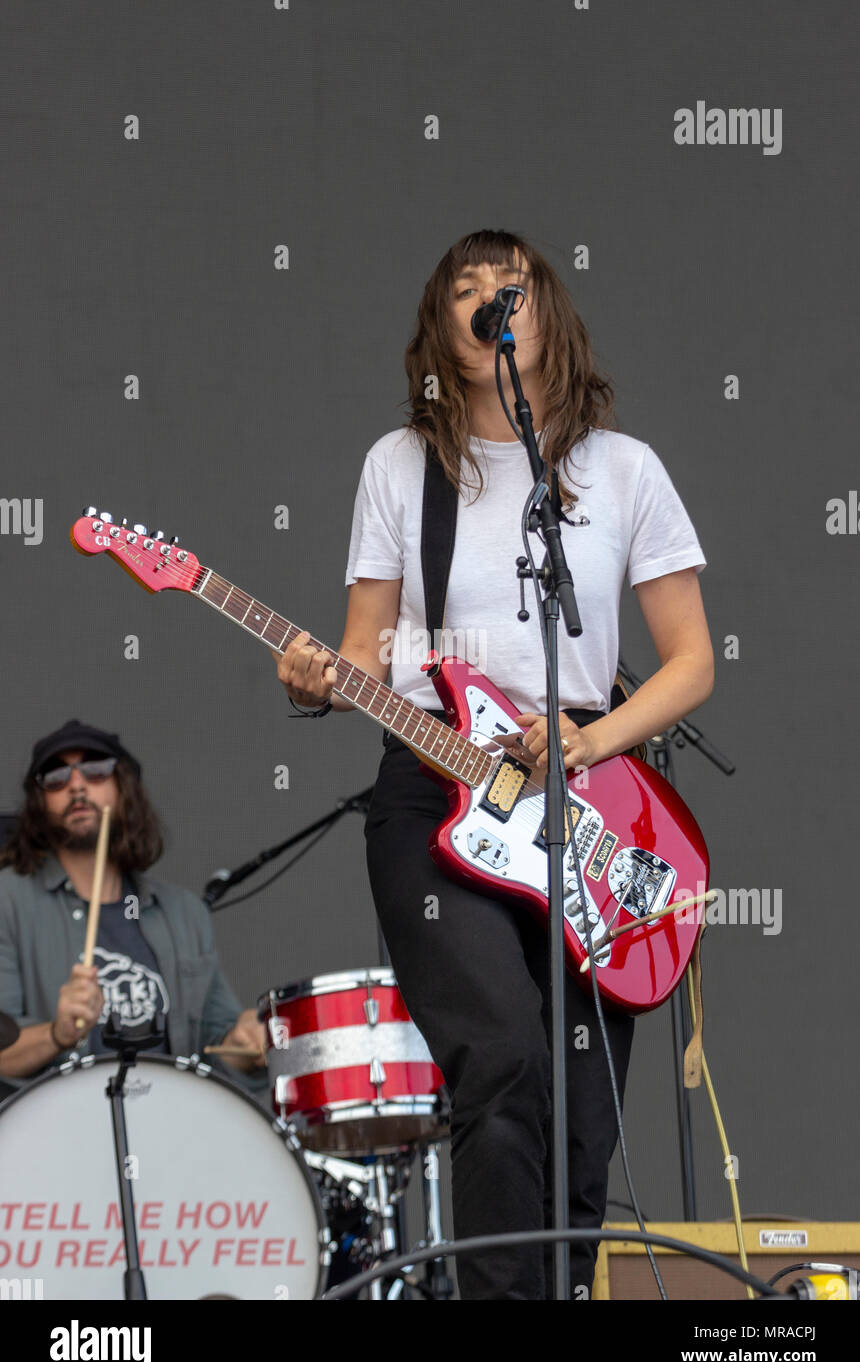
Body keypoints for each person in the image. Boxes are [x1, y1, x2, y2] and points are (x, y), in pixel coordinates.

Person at [273, 228, 714, 1300]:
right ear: (442, 326)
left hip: (588, 794)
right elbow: (365, 649)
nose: (484, 302)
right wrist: (313, 673)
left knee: (582, 1104)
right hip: (438, 789)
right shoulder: (401, 465)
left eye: (503, 285)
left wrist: (593, 739)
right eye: (461, 289)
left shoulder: (622, 469)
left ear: (542, 309)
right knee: (505, 1058)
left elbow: (690, 661)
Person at [0, 720, 267, 1090]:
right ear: (39, 801)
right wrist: (57, 1035)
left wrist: (244, 1044)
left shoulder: (183, 914)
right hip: (56, 1133)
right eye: (56, 776)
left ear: (125, 788)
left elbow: (215, 1045)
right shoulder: (7, 902)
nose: (76, 784)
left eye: (95, 770)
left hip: (175, 1129)